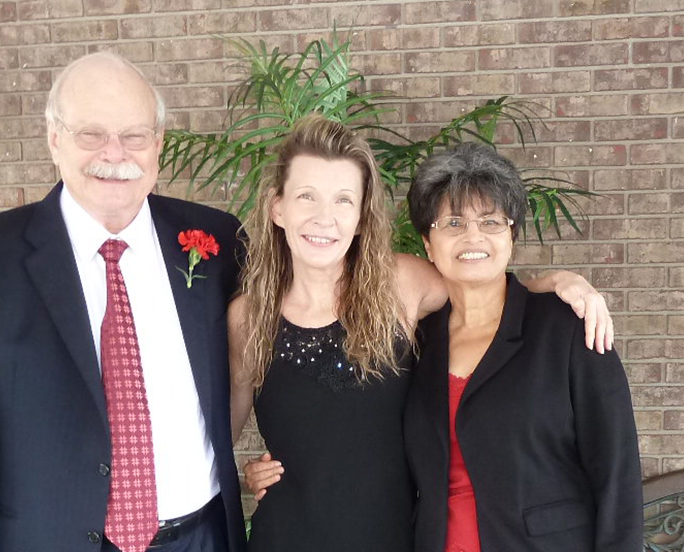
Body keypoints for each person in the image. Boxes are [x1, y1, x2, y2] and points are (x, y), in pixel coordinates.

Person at [231, 115, 615, 552]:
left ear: (360, 217)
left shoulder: (401, 283)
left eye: (343, 200)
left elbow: (480, 279)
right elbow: (215, 441)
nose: (325, 218)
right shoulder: (248, 318)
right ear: (277, 207)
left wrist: (559, 282)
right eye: (306, 197)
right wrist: (249, 470)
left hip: (394, 538)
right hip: (286, 538)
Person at [0, 52, 247, 552]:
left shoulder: (216, 240)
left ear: (158, 144)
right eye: (90, 134)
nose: (115, 154)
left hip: (201, 538)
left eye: (134, 136)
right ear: (55, 138)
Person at [403, 142, 643, 552]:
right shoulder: (416, 341)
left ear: (512, 235)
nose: (473, 236)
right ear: (428, 243)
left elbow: (616, 472)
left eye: (491, 221)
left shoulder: (567, 328)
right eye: (454, 223)